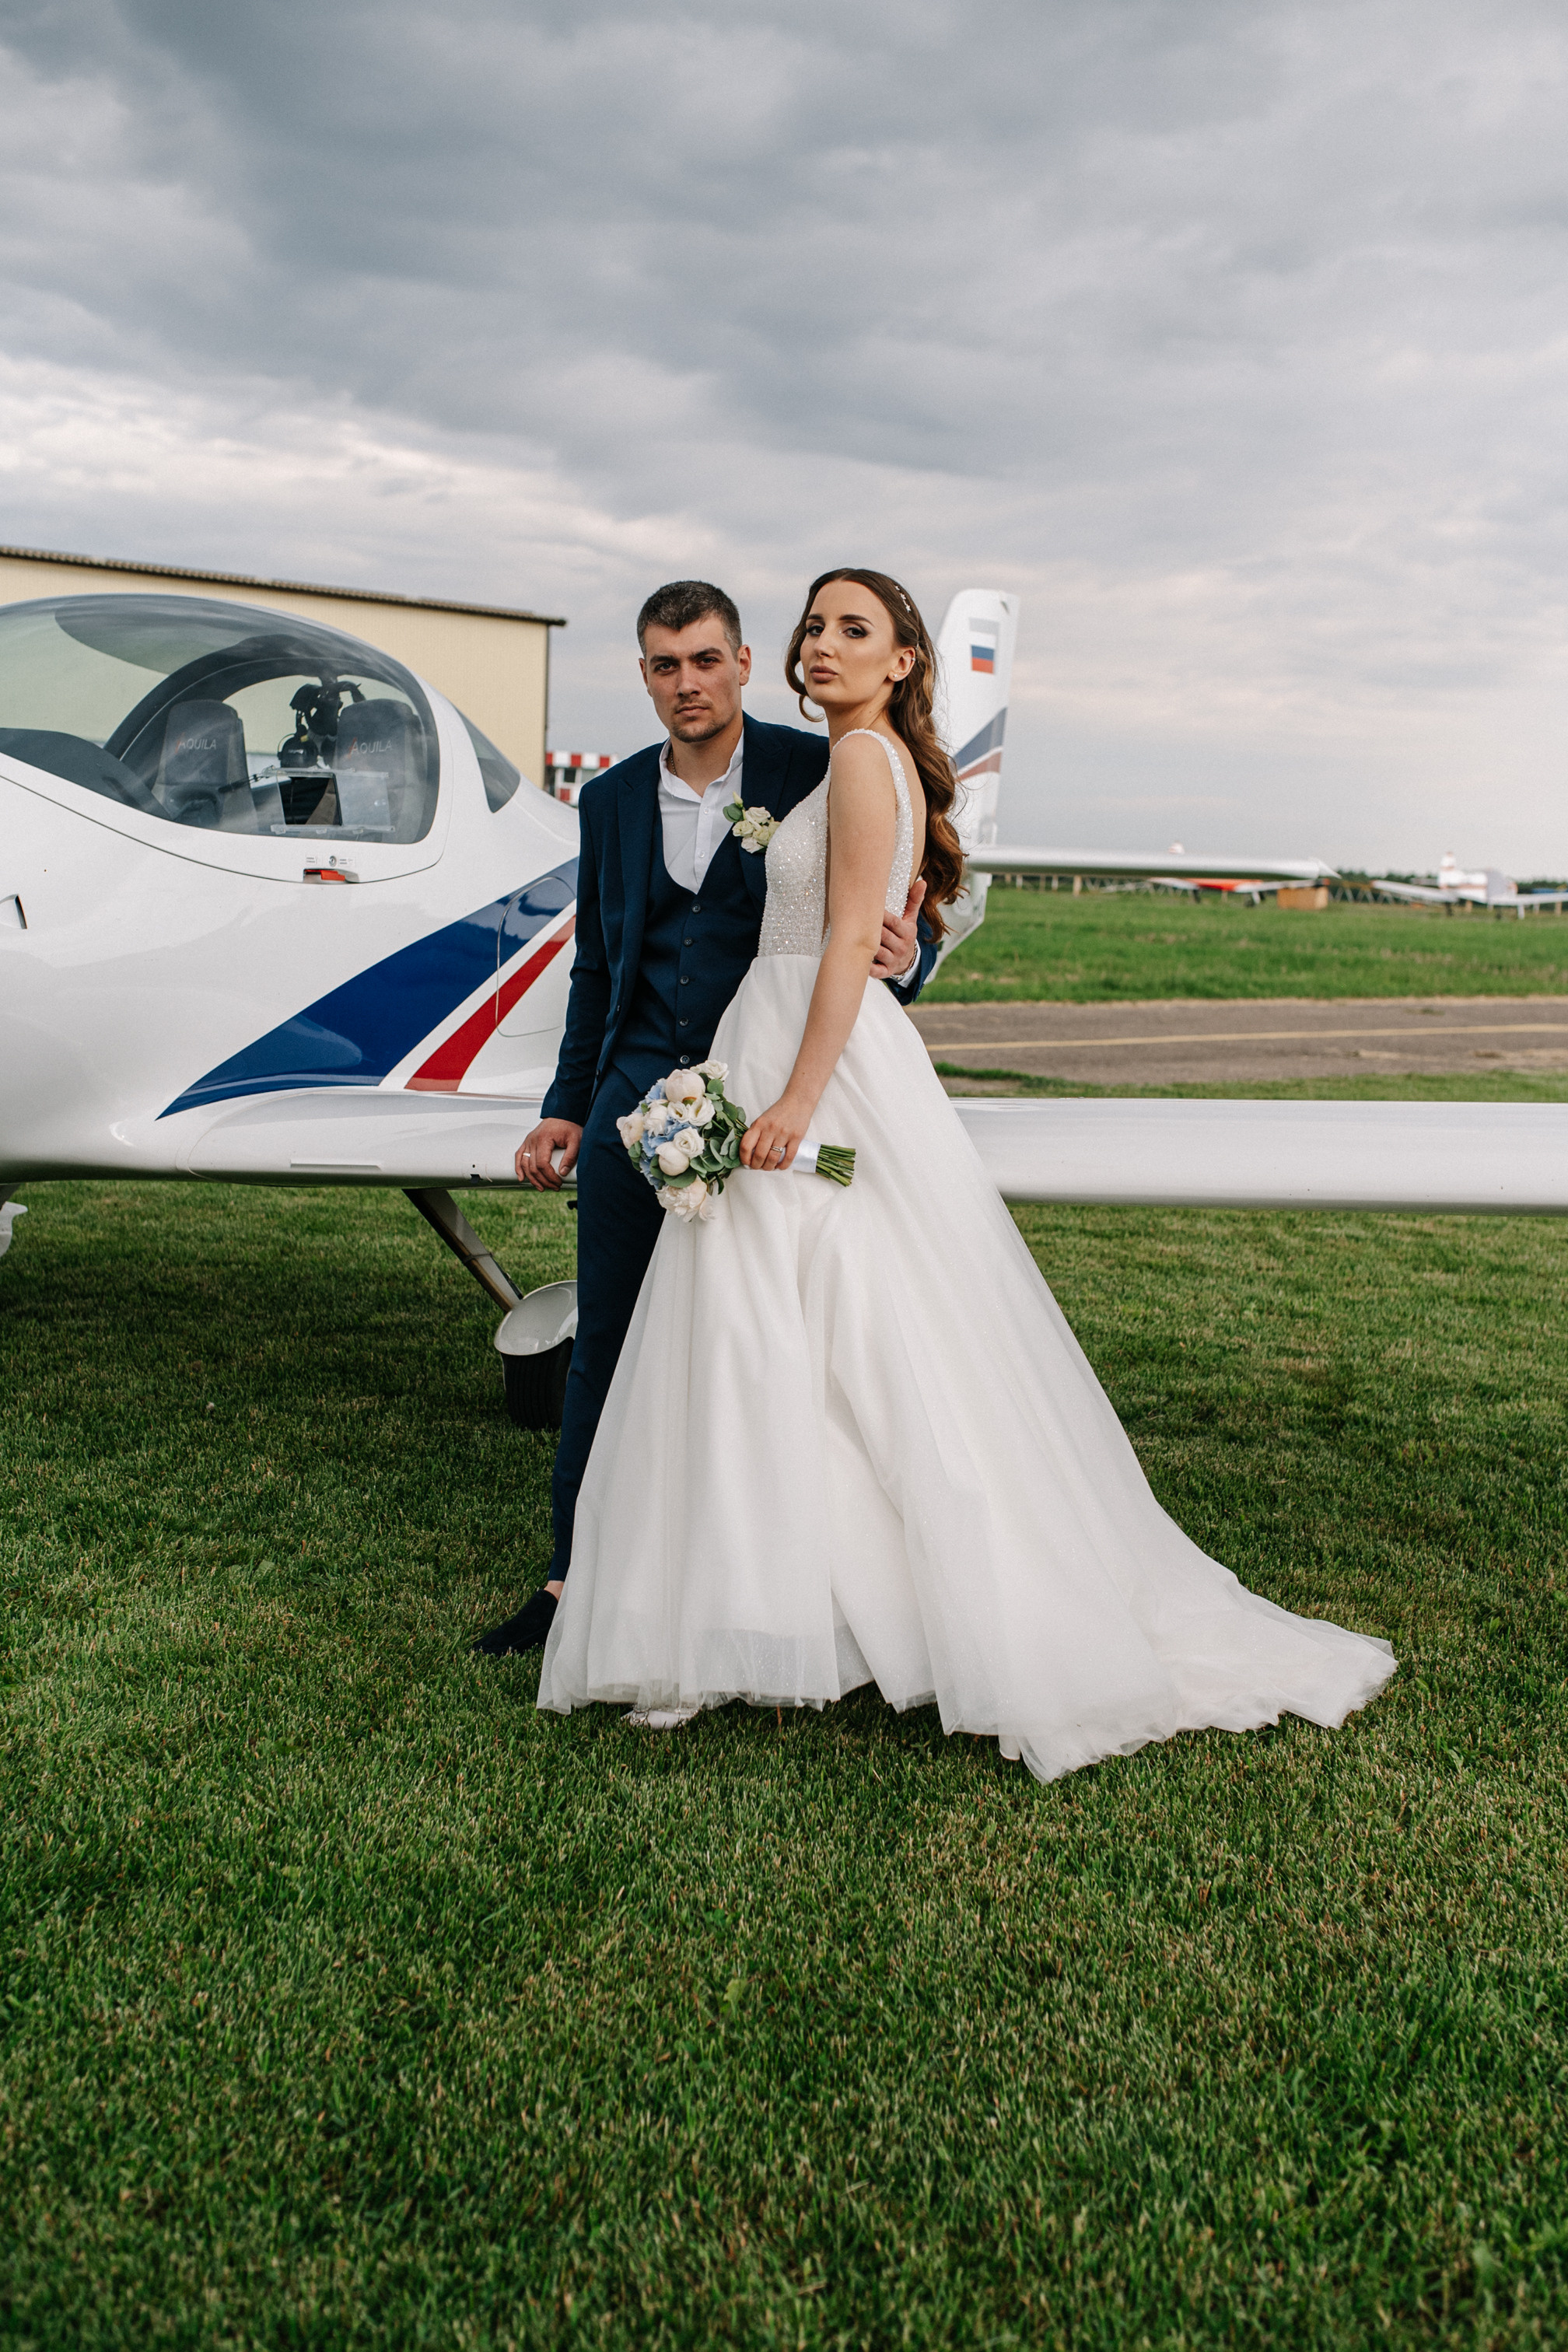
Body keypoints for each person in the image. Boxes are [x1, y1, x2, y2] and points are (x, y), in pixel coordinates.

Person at [536, 568, 1396, 1782]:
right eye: (816, 627)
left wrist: (827, 1052)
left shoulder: (842, 763)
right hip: (730, 1064)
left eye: (854, 630)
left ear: (898, 660)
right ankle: (689, 1588)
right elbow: (640, 955)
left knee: (827, 1319)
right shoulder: (726, 781)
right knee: (721, 1331)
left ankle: (809, 1603)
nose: (822, 646)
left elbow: (861, 930)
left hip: (805, 1072)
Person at [472, 580, 935, 1657]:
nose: (689, 683)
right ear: (644, 675)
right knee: (611, 1346)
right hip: (641, 1099)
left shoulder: (818, 763)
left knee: (758, 1343)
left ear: (739, 664)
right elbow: (598, 968)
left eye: (708, 660)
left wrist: (904, 966)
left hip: (763, 1089)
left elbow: (881, 901)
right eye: (665, 665)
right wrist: (566, 1109)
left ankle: (758, 1582)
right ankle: (567, 1584)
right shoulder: (612, 800)